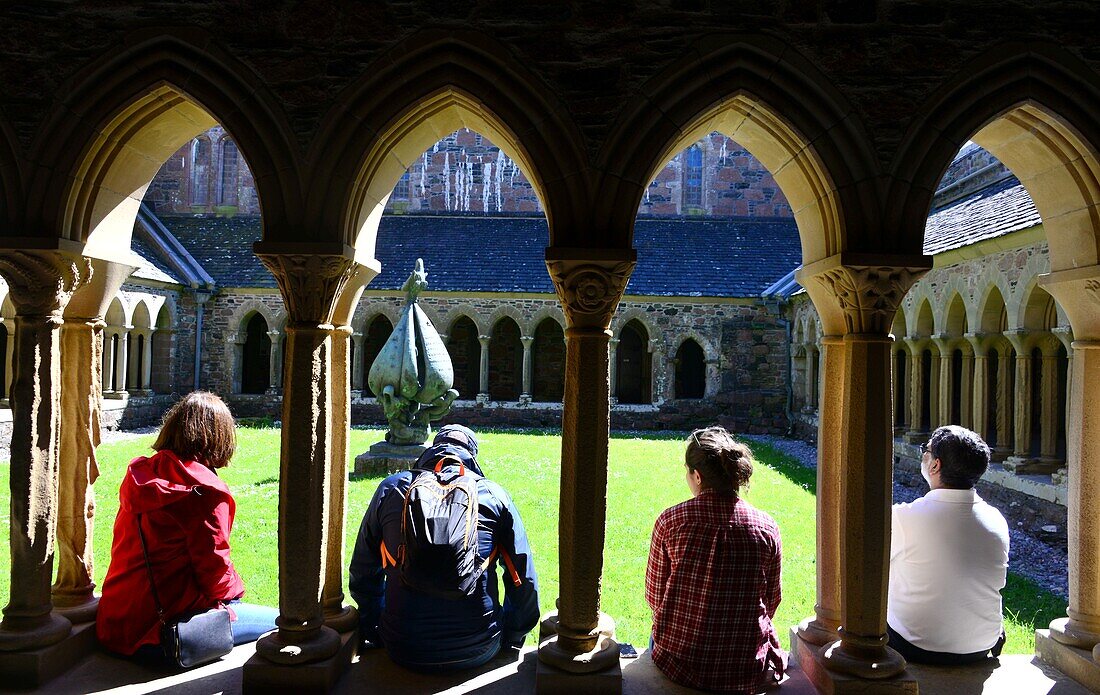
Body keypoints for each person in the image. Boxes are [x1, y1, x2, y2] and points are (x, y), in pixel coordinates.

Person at [97, 391, 277, 660]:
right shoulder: (204, 492)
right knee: (285, 621)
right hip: (163, 634)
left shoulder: (142, 474)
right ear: (219, 437)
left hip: (114, 624)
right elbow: (215, 576)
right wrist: (236, 592)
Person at [349, 424, 539, 672]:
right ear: (471, 456)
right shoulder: (492, 494)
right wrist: (512, 635)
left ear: (432, 450)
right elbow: (522, 579)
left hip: (402, 645)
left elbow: (363, 569)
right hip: (479, 645)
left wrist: (374, 625)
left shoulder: (392, 488)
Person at [645, 426, 786, 693]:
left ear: (697, 476)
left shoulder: (672, 521)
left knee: (656, 636)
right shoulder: (766, 527)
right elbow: (771, 599)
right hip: (744, 666)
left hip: (678, 663)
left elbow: (654, 596)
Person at [888, 424, 1010, 664]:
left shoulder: (904, 517)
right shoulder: (996, 518)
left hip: (915, 644)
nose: (924, 454)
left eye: (927, 449)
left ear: (935, 465)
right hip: (980, 646)